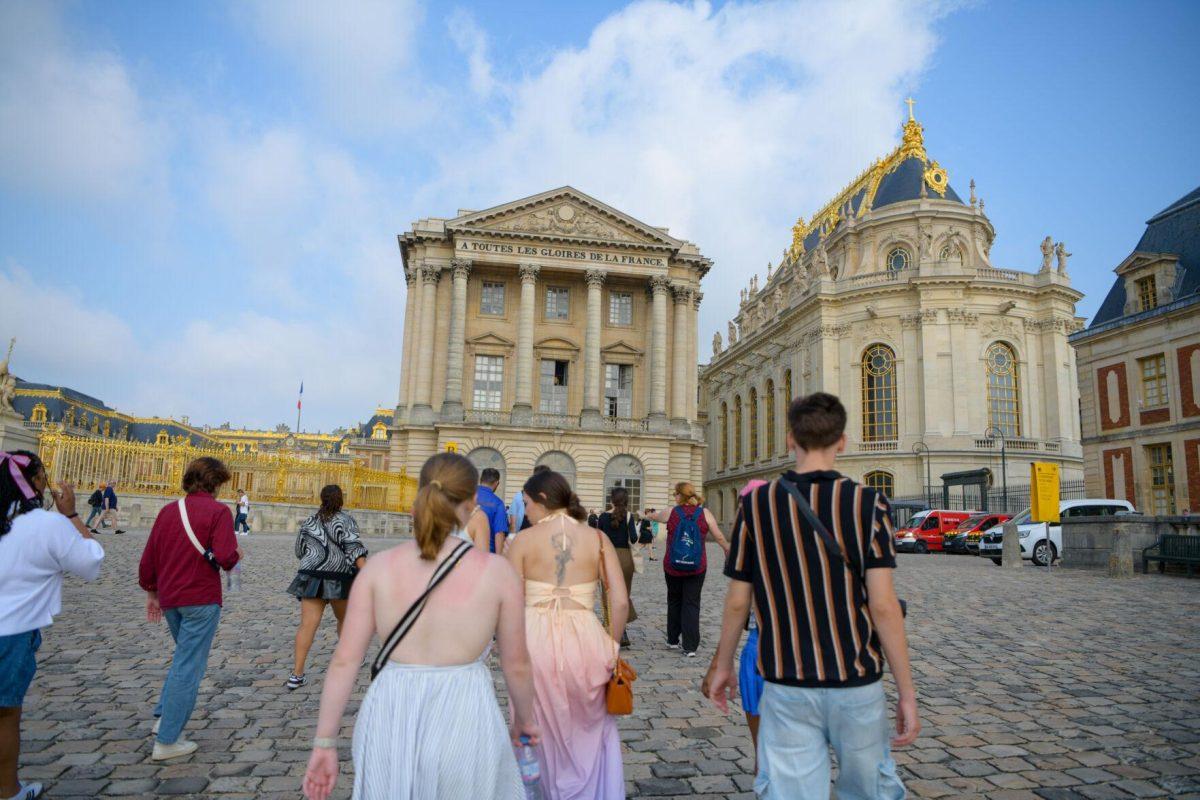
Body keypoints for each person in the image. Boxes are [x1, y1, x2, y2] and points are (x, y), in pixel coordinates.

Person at [706, 392, 918, 799]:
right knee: (869, 792)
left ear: (790, 439)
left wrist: (724, 664)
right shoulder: (868, 503)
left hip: (786, 681)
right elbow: (884, 606)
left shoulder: (758, 504)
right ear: (842, 441)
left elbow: (737, 600)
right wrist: (906, 693)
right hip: (855, 679)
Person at [302, 453, 538, 800]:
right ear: (473, 502)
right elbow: (516, 664)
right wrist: (524, 722)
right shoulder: (497, 572)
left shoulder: (379, 568)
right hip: (466, 707)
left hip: (392, 708)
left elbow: (345, 661)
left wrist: (324, 743)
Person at [505, 469, 628, 799]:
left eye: (527, 503)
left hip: (535, 638)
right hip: (585, 637)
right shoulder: (597, 539)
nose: (524, 510)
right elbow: (619, 600)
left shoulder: (522, 542)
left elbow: (510, 604)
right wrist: (612, 645)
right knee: (588, 726)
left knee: (539, 727)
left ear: (543, 500)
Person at [0, 452, 104, 800]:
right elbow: (91, 564)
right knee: (4, 716)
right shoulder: (47, 525)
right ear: (35, 482)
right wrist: (72, 515)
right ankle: (8, 791)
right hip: (11, 633)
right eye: (44, 475)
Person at [138, 457, 241, 761]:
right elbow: (225, 556)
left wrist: (152, 592)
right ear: (215, 483)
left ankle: (162, 717)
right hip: (201, 598)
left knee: (182, 658)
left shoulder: (169, 511)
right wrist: (236, 556)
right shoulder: (218, 512)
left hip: (170, 598)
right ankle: (168, 740)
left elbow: (149, 559)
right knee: (190, 666)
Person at [701, 479, 767, 765]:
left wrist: (719, 663)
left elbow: (739, 605)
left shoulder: (750, 544)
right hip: (804, 654)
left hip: (762, 649)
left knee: (763, 754)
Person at [285, 485, 368, 691]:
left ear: (321, 499)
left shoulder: (310, 522)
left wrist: (315, 559)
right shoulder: (346, 520)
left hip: (311, 577)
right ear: (341, 499)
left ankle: (297, 674)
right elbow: (354, 549)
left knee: (307, 626)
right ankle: (350, 659)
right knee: (345, 621)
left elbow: (299, 550)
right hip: (338, 577)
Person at [643, 483, 729, 657]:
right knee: (692, 603)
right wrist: (727, 550)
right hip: (697, 566)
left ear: (680, 496)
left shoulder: (671, 512)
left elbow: (656, 517)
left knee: (674, 600)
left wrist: (645, 514)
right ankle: (690, 646)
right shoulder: (704, 513)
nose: (674, 496)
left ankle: (673, 640)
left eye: (675, 494)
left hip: (672, 566)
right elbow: (719, 535)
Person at [597, 488, 638, 648]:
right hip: (625, 558)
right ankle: (623, 630)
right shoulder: (628, 516)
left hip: (607, 557)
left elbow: (598, 537)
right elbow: (634, 538)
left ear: (612, 500)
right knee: (623, 594)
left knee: (607, 594)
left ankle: (609, 627)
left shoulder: (602, 517)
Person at [469, 468, 509, 554]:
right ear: (496, 483)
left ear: (480, 480)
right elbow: (499, 533)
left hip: (463, 551)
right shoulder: (498, 503)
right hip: (487, 554)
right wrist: (498, 558)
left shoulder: (466, 496)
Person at [508, 463, 550, 534]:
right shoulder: (551, 498)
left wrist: (512, 541)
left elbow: (513, 525)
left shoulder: (519, 496)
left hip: (523, 538)